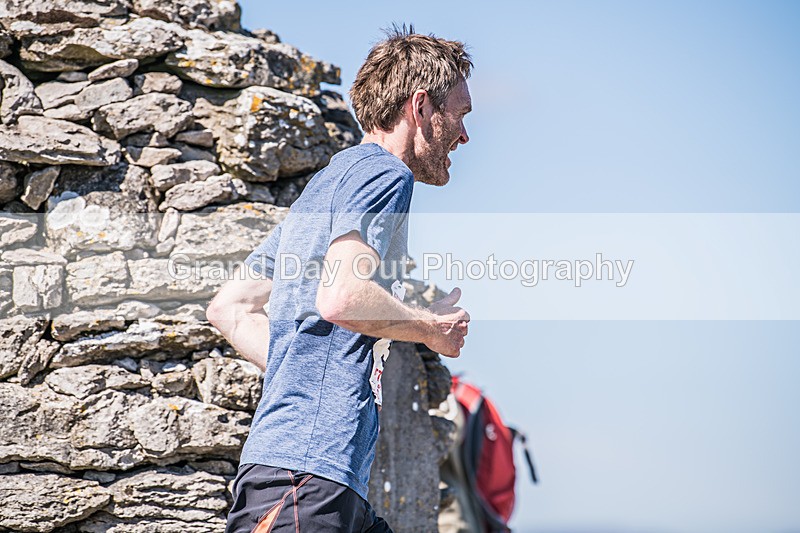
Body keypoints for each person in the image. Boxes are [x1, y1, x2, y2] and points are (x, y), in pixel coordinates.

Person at [207, 25, 474, 533]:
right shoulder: (384, 175)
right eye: (459, 116)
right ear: (420, 108)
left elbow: (231, 306)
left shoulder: (327, 185)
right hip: (304, 475)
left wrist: (309, 373)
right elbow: (342, 297)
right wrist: (429, 328)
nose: (464, 136)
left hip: (312, 473)